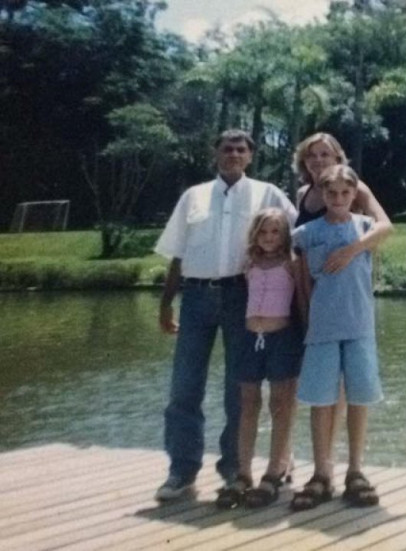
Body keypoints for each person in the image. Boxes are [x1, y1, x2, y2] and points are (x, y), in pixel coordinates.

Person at [154, 129, 298, 502]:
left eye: (240, 149)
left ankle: (236, 469)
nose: (233, 154)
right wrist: (166, 302)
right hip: (196, 297)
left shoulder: (268, 193)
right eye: (226, 148)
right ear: (215, 152)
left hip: (242, 296)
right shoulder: (194, 196)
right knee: (184, 387)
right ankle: (181, 471)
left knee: (239, 387)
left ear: (250, 155)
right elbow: (177, 254)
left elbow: (299, 236)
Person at [291, 132, 393, 491]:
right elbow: (295, 265)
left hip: (356, 318)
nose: (318, 160)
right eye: (312, 156)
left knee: (357, 395)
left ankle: (354, 469)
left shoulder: (357, 196)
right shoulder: (303, 207)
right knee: (320, 395)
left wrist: (352, 249)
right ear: (304, 162)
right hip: (317, 317)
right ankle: (321, 471)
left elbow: (385, 226)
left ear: (339, 158)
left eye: (325, 154)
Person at [215, 208, 304, 509]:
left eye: (275, 232)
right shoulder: (249, 263)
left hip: (282, 339)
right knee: (248, 404)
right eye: (263, 232)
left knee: (281, 404)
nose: (268, 237)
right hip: (250, 338)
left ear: (284, 235)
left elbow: (302, 298)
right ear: (256, 234)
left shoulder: (292, 263)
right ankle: (243, 473)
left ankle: (274, 471)